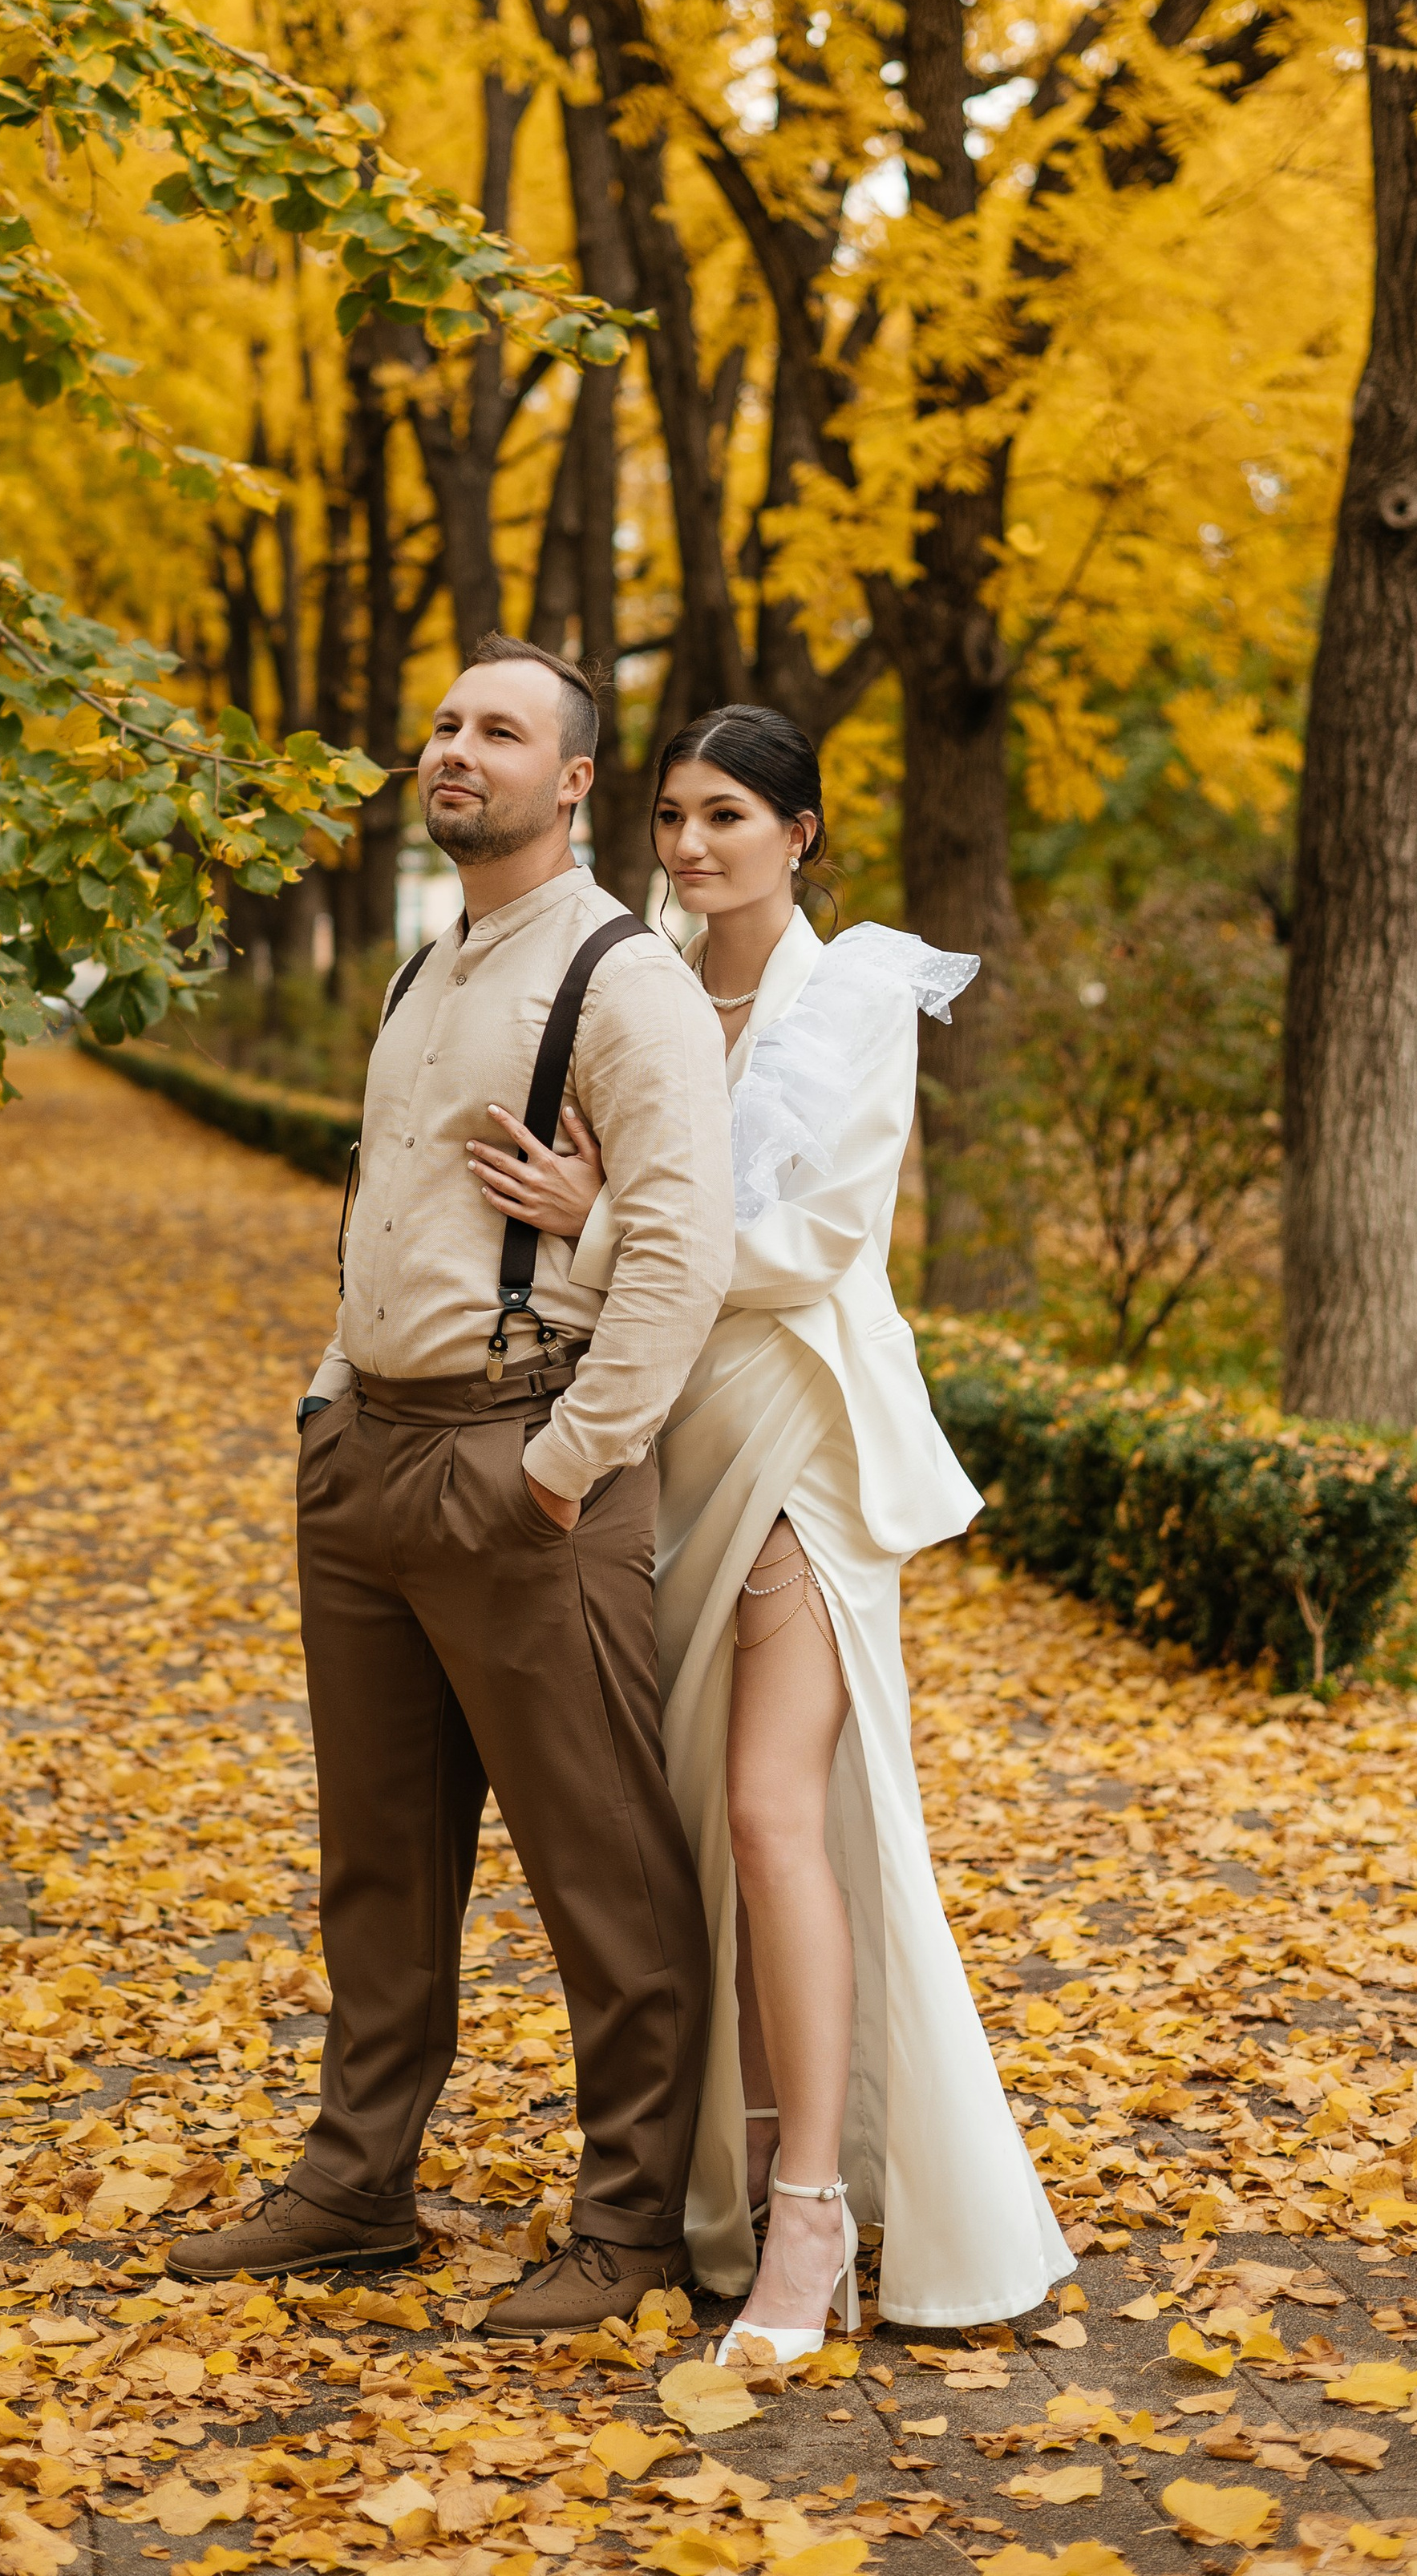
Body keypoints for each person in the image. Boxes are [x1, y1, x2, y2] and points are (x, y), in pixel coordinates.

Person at [467, 703, 1073, 2362]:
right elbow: (607, 1220)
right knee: (685, 1822)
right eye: (669, 814)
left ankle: (813, 2209)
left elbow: (810, 1240)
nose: (688, 847)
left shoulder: (854, 990)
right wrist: (597, 1240)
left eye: (727, 815)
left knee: (766, 1815)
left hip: (796, 1422)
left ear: (798, 832)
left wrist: (609, 1229)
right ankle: (726, 2176)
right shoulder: (637, 990)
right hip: (665, 1435)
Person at [169, 635, 735, 2333]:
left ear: (570, 783)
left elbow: (681, 1253)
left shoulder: (623, 977)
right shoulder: (429, 968)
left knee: (601, 1865)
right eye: (440, 725)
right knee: (379, 1863)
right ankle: (356, 2180)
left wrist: (563, 1467)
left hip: (521, 1455)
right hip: (369, 1461)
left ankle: (627, 2222)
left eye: (499, 731)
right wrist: (330, 1400)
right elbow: (388, 1210)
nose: (453, 751)